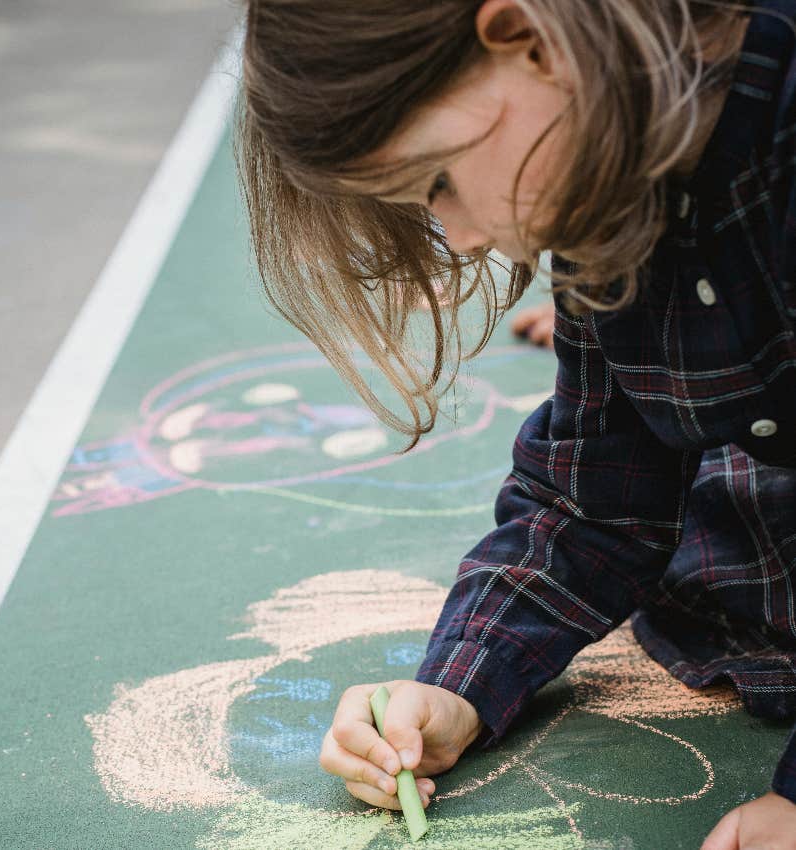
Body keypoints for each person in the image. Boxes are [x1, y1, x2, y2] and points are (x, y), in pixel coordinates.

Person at [234, 0, 796, 846]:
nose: (459, 239)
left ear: (532, 42)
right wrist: (460, 686)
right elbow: (593, 505)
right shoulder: (613, 194)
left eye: (439, 182)